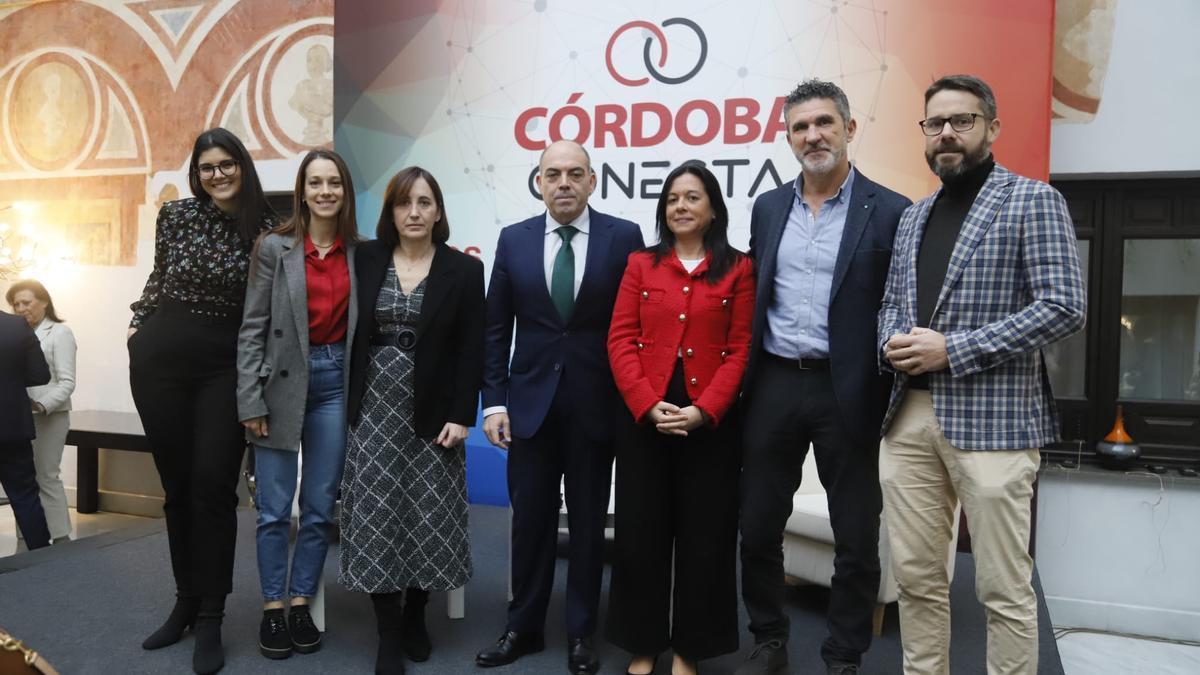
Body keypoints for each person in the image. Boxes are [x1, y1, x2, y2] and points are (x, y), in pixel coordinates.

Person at [877, 74, 1085, 675]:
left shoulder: (1032, 199)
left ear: (991, 128)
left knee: (1003, 590)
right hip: (907, 419)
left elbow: (1064, 305)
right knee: (917, 581)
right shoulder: (914, 217)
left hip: (995, 422)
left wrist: (956, 350)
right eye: (935, 123)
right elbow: (892, 301)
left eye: (961, 121)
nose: (947, 133)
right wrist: (888, 341)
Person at [736, 79, 912, 675]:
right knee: (757, 526)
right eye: (800, 127)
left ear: (849, 129)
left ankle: (843, 654)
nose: (813, 136)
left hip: (851, 389)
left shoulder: (891, 211)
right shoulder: (767, 207)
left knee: (857, 538)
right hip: (776, 383)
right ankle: (769, 638)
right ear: (787, 139)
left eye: (824, 124)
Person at [476, 140, 644, 675]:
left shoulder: (625, 238)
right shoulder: (514, 240)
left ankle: (580, 634)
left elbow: (636, 329)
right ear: (540, 182)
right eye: (553, 174)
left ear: (592, 181)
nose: (564, 183)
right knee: (531, 523)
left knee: (591, 526)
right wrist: (493, 404)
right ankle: (522, 627)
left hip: (598, 409)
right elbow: (496, 329)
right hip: (529, 410)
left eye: (575, 173)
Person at [128, 127, 278, 674]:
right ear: (197, 173)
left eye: (226, 164)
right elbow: (158, 279)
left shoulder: (267, 229)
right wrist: (138, 329)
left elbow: (265, 314)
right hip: (160, 361)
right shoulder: (176, 217)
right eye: (207, 167)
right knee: (176, 490)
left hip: (223, 368)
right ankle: (185, 601)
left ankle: (212, 615)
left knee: (213, 489)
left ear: (243, 166)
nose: (217, 175)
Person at [606, 162, 754, 675]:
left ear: (713, 207)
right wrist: (646, 402)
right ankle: (643, 643)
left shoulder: (739, 268)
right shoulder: (640, 265)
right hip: (645, 417)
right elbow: (620, 339)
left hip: (708, 424)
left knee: (705, 537)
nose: (681, 207)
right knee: (639, 534)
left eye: (692, 197)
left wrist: (705, 410)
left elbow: (740, 350)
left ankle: (692, 648)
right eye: (672, 199)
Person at [341, 166, 484, 675]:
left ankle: (416, 613)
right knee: (379, 514)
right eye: (405, 203)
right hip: (375, 406)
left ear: (439, 211)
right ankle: (386, 631)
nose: (415, 212)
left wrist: (463, 414)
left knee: (427, 515)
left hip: (434, 413)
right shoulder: (366, 258)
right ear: (391, 212)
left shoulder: (463, 271)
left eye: (425, 202)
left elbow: (472, 349)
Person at [236, 149, 359, 659]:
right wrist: (249, 401)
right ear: (303, 190)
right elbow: (252, 327)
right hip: (280, 386)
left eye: (334, 182)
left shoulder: (361, 252)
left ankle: (302, 601)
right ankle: (272, 608)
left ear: (344, 191)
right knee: (271, 509)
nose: (325, 191)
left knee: (318, 506)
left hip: (335, 383)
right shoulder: (274, 248)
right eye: (316, 182)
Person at [7, 279, 76, 546]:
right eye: (16, 304)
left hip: (50, 416)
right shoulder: (14, 334)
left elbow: (67, 381)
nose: (21, 308)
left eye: (27, 302)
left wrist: (42, 404)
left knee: (46, 475)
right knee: (23, 480)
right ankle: (27, 534)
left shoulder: (60, 333)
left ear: (44, 302)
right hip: (20, 418)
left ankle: (60, 536)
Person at [0, 308, 51, 551]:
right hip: (12, 424)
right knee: (25, 497)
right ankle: (43, 563)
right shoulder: (16, 326)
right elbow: (40, 374)